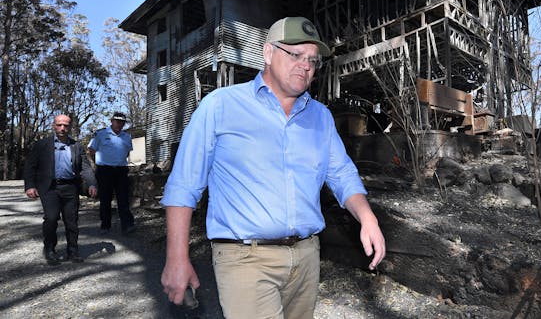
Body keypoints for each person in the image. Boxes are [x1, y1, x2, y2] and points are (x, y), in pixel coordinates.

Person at [161, 16, 386, 318]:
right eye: (295, 54)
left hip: (306, 256)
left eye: (312, 60)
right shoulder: (220, 106)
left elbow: (342, 174)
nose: (305, 65)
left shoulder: (320, 117)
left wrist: (367, 217)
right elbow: (184, 184)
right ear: (268, 53)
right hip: (245, 258)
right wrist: (177, 258)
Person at [24, 114, 97, 265]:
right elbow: (30, 166)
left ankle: (73, 251)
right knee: (51, 218)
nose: (62, 128)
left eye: (66, 125)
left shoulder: (76, 146)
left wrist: (92, 183)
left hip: (70, 187)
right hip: (49, 188)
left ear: (70, 127)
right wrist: (30, 186)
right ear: (53, 126)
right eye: (59, 125)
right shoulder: (42, 145)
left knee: (72, 221)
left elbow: (85, 168)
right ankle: (50, 249)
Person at [87, 112, 135, 234]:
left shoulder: (127, 137)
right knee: (105, 199)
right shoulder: (101, 134)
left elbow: (127, 152)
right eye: (117, 121)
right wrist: (98, 164)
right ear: (112, 121)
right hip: (104, 170)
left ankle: (127, 225)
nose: (119, 124)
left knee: (123, 198)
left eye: (122, 122)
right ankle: (105, 225)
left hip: (121, 170)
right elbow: (91, 150)